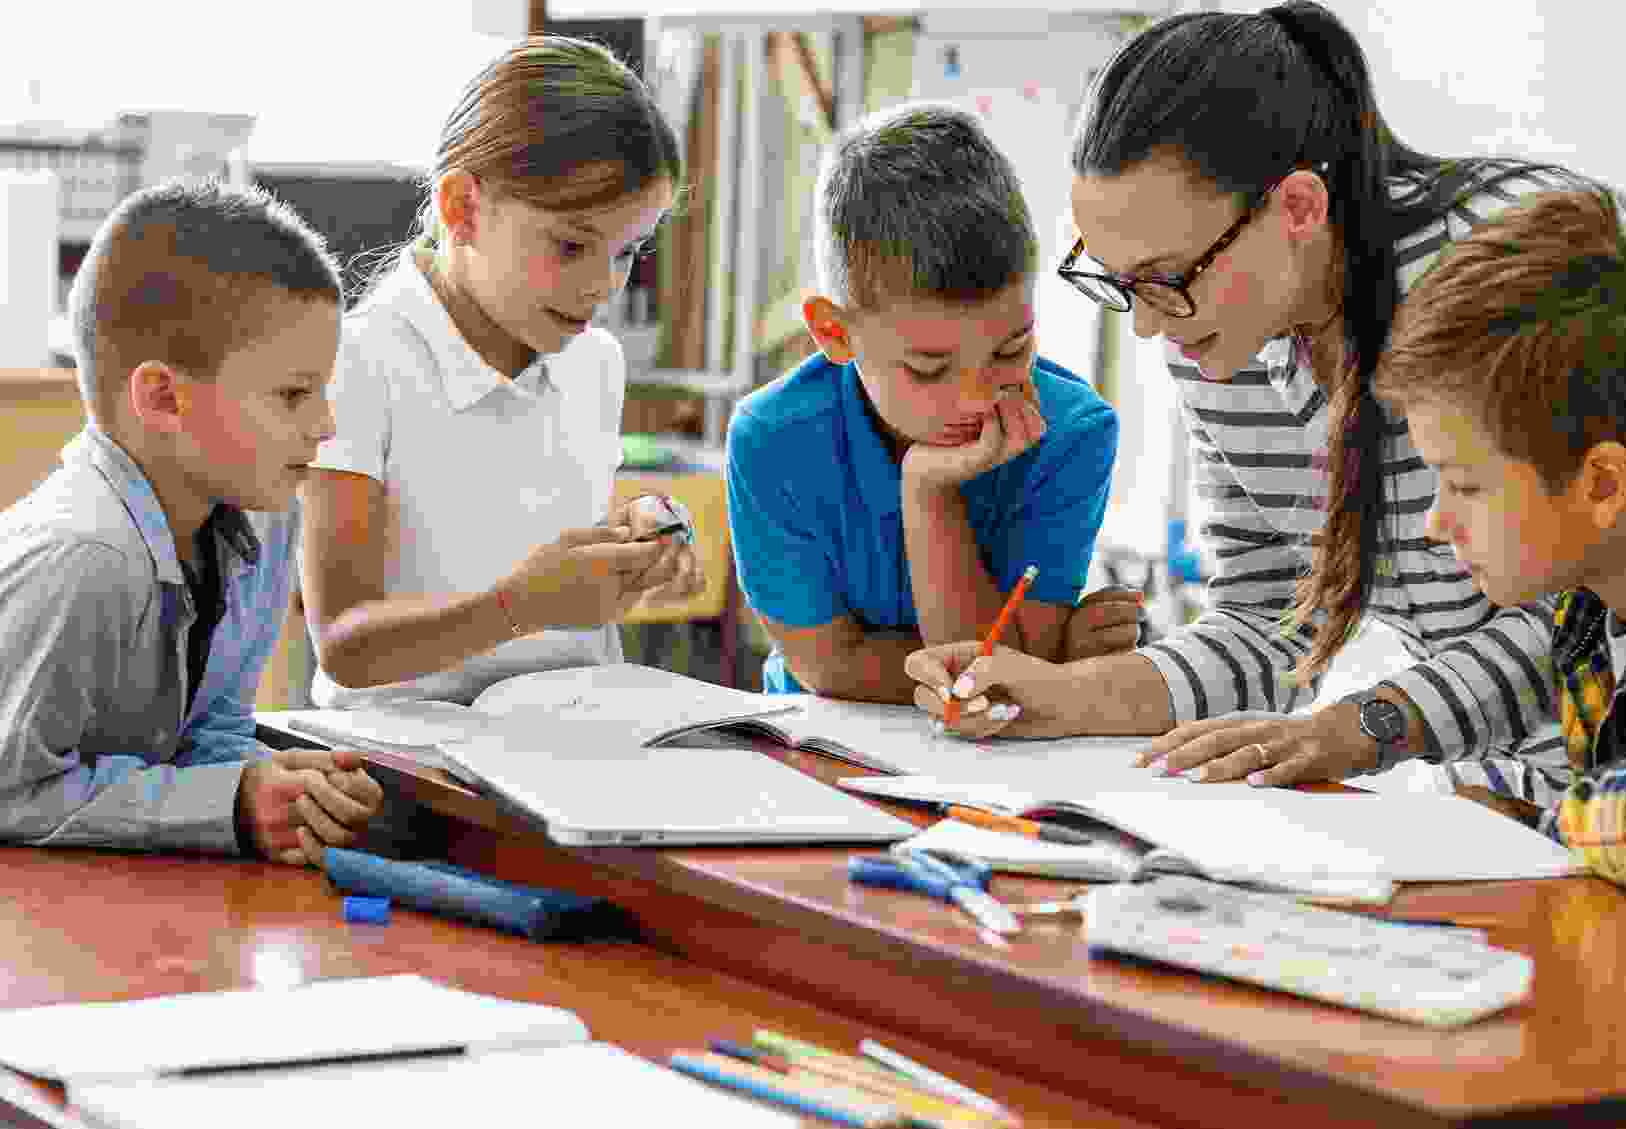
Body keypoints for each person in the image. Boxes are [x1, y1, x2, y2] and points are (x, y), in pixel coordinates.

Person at [905, 0, 1626, 810]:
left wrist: (1362, 727)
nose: (1151, 326)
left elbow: (1595, 598)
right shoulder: (1217, 336)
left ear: (1298, 207)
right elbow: (1269, 623)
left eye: (1165, 280)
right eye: (1122, 284)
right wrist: (1060, 697)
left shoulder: (1512, 261)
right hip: (1529, 794)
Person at [300, 35, 701, 708]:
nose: (602, 285)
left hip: (570, 730)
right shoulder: (359, 361)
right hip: (404, 752)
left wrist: (637, 539)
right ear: (463, 208)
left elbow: (530, 545)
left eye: (627, 251)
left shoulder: (595, 362)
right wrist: (518, 606)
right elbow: (344, 645)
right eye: (571, 245)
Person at [0, 177, 382, 867]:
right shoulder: (81, 558)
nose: (326, 425)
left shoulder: (262, 521)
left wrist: (283, 788)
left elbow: (212, 729)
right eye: (293, 394)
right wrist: (227, 802)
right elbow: (11, 791)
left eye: (324, 391)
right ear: (162, 398)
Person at [726, 101, 1122, 701]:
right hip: (817, 737)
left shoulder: (1071, 433)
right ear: (835, 332)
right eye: (929, 368)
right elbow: (827, 668)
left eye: (1012, 349)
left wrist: (930, 496)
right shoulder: (773, 439)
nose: (978, 397)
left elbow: (996, 682)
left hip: (1004, 750)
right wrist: (1048, 658)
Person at [1376, 187, 1626, 895]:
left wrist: (1536, 831)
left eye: (1465, 484)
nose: (1436, 523)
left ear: (1602, 485)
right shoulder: (1587, 614)